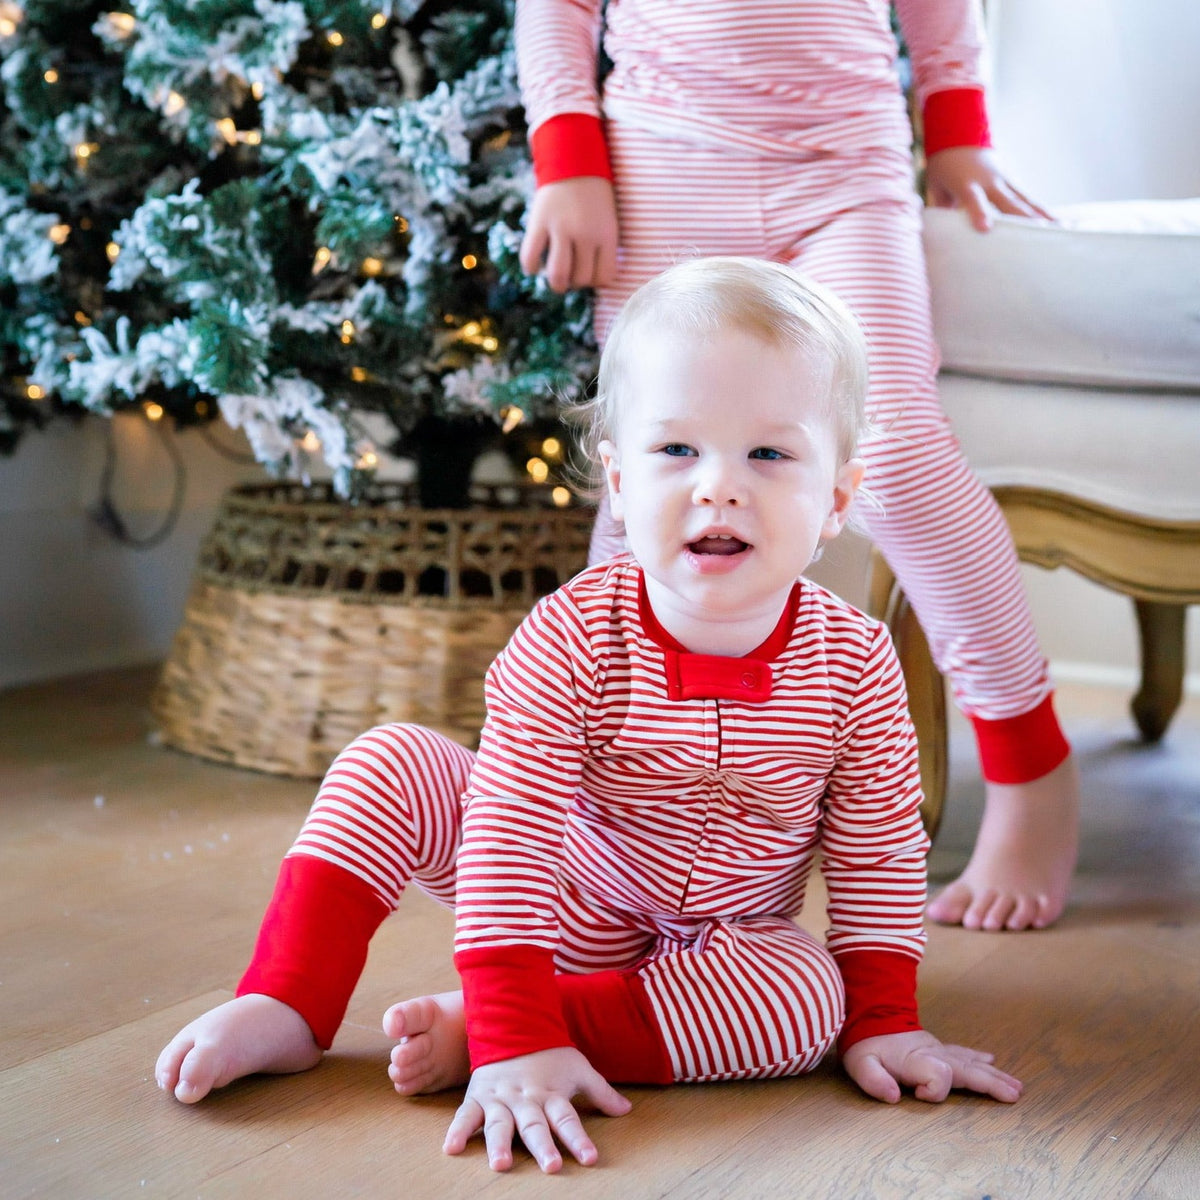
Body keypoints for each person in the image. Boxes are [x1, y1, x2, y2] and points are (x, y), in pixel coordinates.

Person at [156, 258, 1022, 1175]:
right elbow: (509, 833)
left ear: (836, 500)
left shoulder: (853, 662)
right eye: (677, 450)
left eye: (769, 454)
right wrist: (512, 1029)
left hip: (724, 949)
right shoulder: (572, 635)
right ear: (618, 478)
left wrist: (886, 1021)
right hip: (562, 897)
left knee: (812, 1001)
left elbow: (877, 848)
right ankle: (291, 1004)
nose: (719, 486)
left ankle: (544, 1025)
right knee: (392, 760)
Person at [515, 0, 1080, 934]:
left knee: (896, 461)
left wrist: (957, 129)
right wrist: (566, 154)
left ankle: (1031, 768)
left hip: (848, 170)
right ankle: (614, 803)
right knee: (653, 483)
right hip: (664, 161)